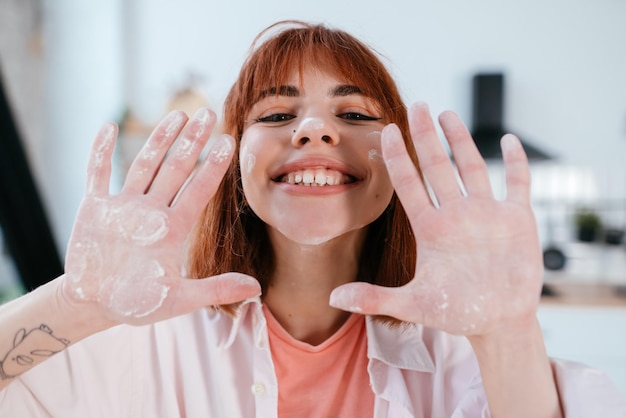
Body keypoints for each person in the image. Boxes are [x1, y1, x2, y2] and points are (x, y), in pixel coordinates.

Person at [0, 20, 624, 417]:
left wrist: (509, 333)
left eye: (354, 115)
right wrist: (77, 304)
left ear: (398, 160)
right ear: (235, 165)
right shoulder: (143, 348)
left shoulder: (463, 355)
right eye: (274, 116)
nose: (315, 129)